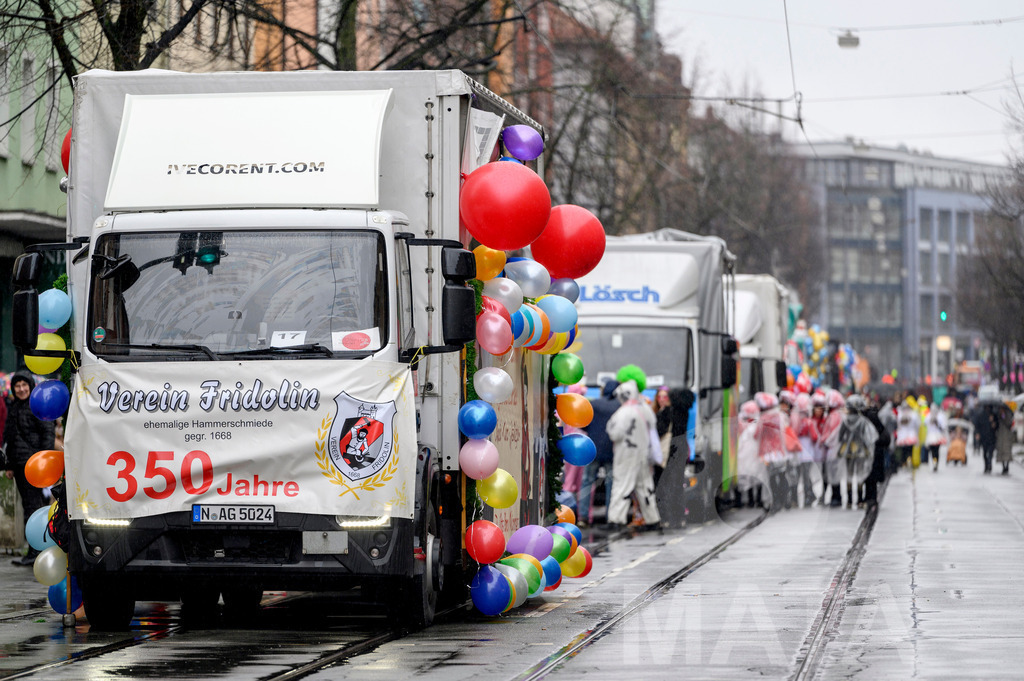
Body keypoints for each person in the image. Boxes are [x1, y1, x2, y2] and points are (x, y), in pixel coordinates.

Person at [5, 373, 56, 566]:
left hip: (33, 465)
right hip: (18, 464)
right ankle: (33, 550)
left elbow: (48, 433)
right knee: (28, 507)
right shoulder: (14, 407)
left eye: (24, 385)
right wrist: (9, 465)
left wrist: (43, 462)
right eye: (17, 385)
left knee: (34, 507)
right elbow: (10, 437)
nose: (20, 389)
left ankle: (37, 550)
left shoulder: (37, 406)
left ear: (31, 386)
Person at [605, 380, 660, 530]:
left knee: (621, 485)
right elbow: (652, 425)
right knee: (645, 487)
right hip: (642, 453)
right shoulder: (644, 409)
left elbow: (614, 433)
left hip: (626, 454)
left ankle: (616, 519)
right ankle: (652, 519)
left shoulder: (623, 413)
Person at [654, 387, 695, 527]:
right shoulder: (684, 412)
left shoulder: (666, 413)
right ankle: (678, 517)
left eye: (665, 396)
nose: (662, 399)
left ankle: (665, 517)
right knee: (677, 484)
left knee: (663, 485)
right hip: (680, 449)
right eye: (660, 396)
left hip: (668, 451)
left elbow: (659, 431)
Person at [579, 379, 619, 526]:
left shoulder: (594, 404)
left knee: (588, 482)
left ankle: (583, 516)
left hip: (592, 449)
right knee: (611, 484)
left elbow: (584, 424)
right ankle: (610, 516)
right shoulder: (619, 406)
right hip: (611, 451)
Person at [836, 394, 878, 509]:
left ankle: (849, 501)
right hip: (860, 450)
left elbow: (840, 436)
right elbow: (869, 436)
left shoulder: (845, 421)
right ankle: (860, 500)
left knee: (849, 475)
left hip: (848, 450)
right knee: (860, 475)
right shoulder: (863, 421)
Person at [793, 393, 820, 507]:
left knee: (796, 476)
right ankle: (809, 496)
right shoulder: (809, 422)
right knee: (806, 475)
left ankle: (796, 498)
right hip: (808, 452)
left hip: (796, 451)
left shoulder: (795, 421)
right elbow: (814, 437)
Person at [895, 396, 920, 468]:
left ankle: (904, 462)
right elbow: (917, 425)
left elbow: (898, 425)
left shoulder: (899, 415)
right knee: (910, 450)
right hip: (911, 435)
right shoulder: (913, 414)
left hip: (902, 436)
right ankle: (909, 459)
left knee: (903, 450)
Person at [924, 403, 948, 472]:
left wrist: (937, 423)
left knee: (936, 451)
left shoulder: (940, 417)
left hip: (938, 436)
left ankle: (936, 463)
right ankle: (934, 462)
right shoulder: (928, 416)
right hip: (930, 436)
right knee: (932, 451)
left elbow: (943, 427)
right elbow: (925, 424)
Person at [995, 403, 1014, 475]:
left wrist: (1004, 416)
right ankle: (1003, 466)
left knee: (1007, 451)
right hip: (1000, 435)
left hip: (1006, 435)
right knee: (1001, 451)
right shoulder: (998, 415)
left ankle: (1007, 466)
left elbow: (1009, 423)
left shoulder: (1008, 414)